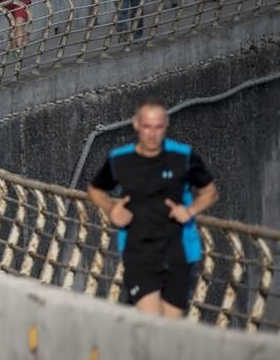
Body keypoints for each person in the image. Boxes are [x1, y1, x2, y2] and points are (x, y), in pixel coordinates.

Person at [87, 99, 219, 317]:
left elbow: (210, 192)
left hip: (179, 252)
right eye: (147, 126)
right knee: (152, 322)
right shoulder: (120, 159)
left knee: (170, 327)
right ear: (136, 124)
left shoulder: (183, 156)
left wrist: (190, 211)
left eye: (158, 127)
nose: (152, 133)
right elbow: (95, 189)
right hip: (138, 252)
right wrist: (112, 209)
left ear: (166, 125)